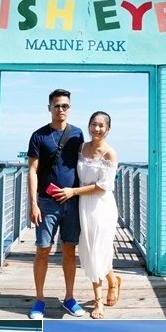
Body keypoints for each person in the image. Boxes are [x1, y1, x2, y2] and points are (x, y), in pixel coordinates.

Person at [27, 89, 85, 319]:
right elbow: (32, 170)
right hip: (46, 202)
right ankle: (39, 299)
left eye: (65, 106)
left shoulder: (78, 134)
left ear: (70, 108)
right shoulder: (38, 135)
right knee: (43, 250)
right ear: (49, 107)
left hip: (72, 201)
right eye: (57, 106)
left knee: (70, 249)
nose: (61, 110)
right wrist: (33, 204)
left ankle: (69, 298)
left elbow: (87, 163)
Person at [68, 111, 122, 319]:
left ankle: (97, 302)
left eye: (101, 125)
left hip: (101, 207)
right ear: (88, 125)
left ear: (108, 129)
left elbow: (103, 186)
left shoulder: (110, 154)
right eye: (94, 124)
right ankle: (113, 280)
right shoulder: (81, 147)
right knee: (90, 251)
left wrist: (73, 192)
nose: (97, 129)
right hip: (82, 206)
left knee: (97, 251)